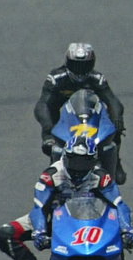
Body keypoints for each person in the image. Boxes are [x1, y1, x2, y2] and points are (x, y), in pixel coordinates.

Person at [0, 137, 133, 260]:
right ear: (65, 157)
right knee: (7, 234)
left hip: (93, 220)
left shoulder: (101, 177)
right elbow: (39, 208)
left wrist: (128, 230)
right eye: (74, 161)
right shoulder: (50, 175)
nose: (78, 168)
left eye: (84, 162)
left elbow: (119, 204)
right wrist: (39, 231)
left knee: (118, 238)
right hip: (52, 219)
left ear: (93, 161)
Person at [34, 43, 127, 179]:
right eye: (75, 65)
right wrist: (47, 128)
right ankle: (55, 168)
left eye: (84, 66)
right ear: (67, 63)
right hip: (63, 119)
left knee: (114, 127)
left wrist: (117, 118)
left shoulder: (97, 79)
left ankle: (115, 161)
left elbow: (113, 101)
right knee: (51, 143)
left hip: (89, 117)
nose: (80, 71)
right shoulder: (56, 78)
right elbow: (42, 104)